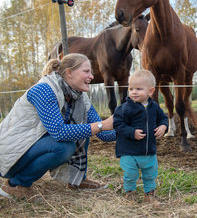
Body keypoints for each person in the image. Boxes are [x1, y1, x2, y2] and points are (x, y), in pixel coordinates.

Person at [0, 53, 115, 200]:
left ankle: (76, 180)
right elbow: (59, 132)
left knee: (83, 129)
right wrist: (100, 125)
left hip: (31, 149)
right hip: (11, 154)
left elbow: (104, 134)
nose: (92, 76)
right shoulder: (44, 90)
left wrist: (129, 127)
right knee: (64, 146)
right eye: (86, 71)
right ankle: (15, 185)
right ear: (69, 73)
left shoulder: (80, 97)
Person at [113, 70, 168, 203]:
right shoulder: (124, 108)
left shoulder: (154, 107)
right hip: (129, 151)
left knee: (150, 174)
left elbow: (163, 119)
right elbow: (118, 124)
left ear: (151, 91)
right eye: (131, 89)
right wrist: (132, 132)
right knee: (130, 174)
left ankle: (149, 194)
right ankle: (130, 193)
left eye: (138, 89)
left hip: (148, 151)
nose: (133, 92)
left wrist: (163, 127)